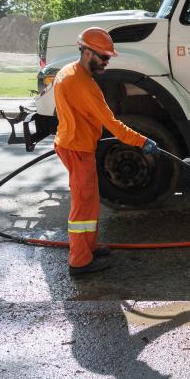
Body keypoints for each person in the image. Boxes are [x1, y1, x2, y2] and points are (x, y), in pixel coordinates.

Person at [53, 27, 160, 276]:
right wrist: (142, 141)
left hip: (74, 144)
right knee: (82, 206)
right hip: (77, 148)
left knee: (89, 202)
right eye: (103, 57)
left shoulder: (67, 72)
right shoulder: (84, 84)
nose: (106, 63)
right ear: (87, 52)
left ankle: (89, 248)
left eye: (108, 58)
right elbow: (113, 125)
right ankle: (80, 262)